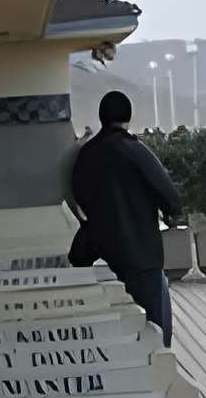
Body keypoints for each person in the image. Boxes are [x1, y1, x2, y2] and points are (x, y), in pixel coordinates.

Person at [67, 89, 183, 343]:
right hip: (141, 252)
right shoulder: (134, 150)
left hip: (103, 250)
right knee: (155, 327)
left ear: (101, 117)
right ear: (128, 117)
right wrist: (172, 212)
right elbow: (168, 193)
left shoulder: (87, 155)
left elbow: (79, 195)